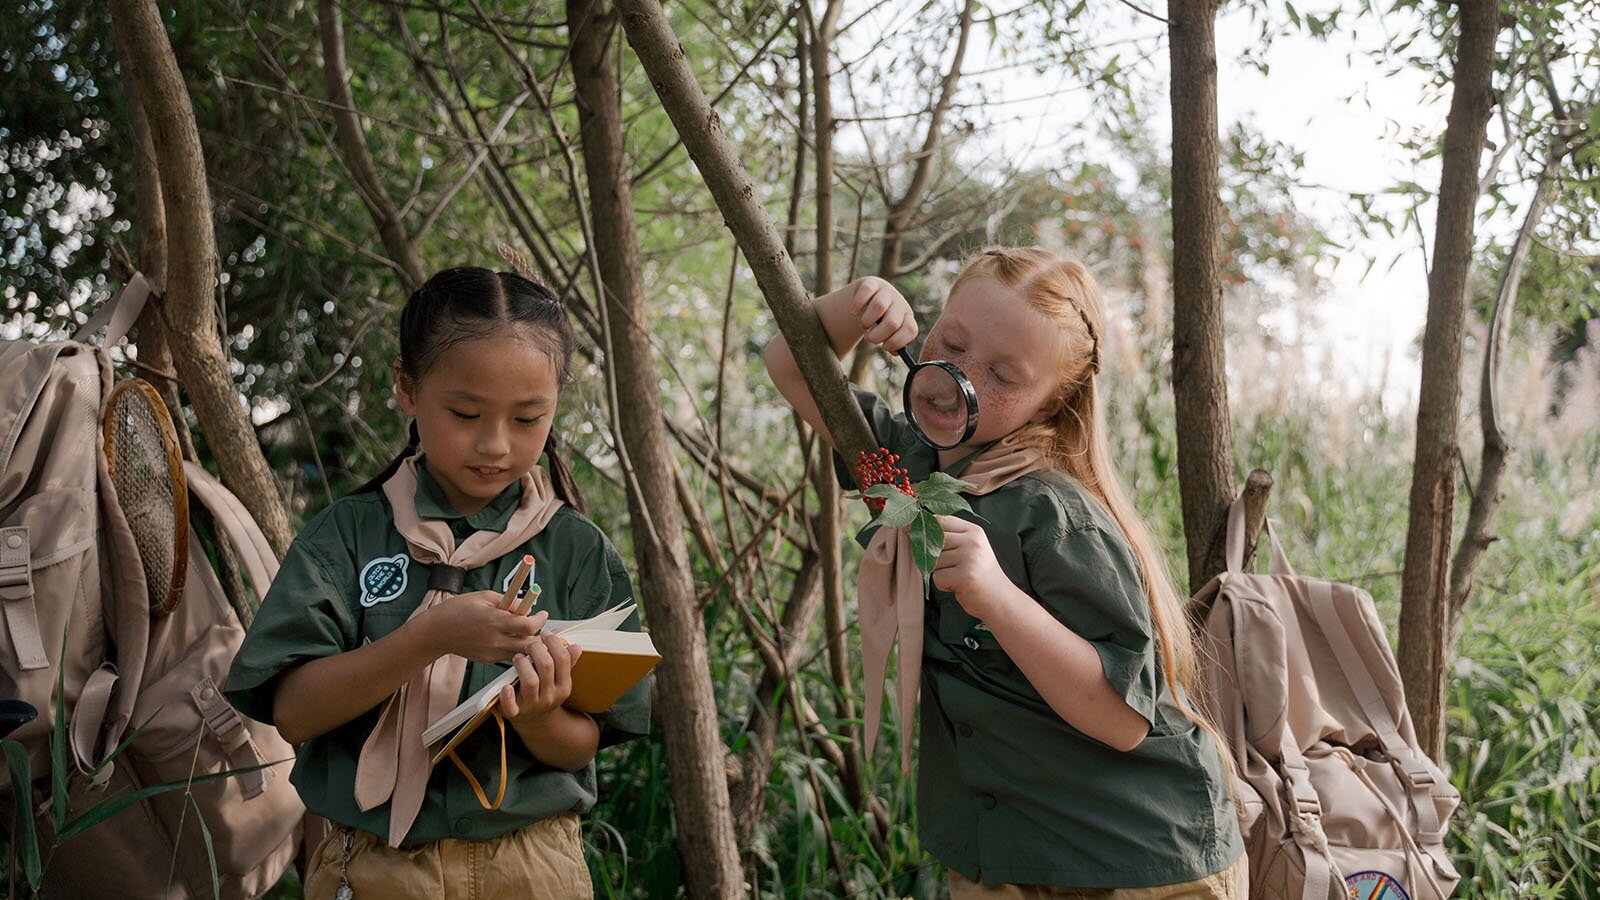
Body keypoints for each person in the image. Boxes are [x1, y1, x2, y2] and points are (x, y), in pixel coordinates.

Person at [762, 247, 1245, 898]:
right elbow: (790, 364)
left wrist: (997, 598)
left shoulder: (1053, 514)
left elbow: (1123, 718)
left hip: (1137, 861)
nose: (960, 378)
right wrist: (855, 308)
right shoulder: (899, 471)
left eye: (1002, 377)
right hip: (1005, 859)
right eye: (951, 344)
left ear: (1050, 405)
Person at [226, 267, 648, 899]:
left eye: (529, 418)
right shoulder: (347, 537)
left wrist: (536, 716)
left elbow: (579, 747)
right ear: (406, 387)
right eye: (465, 412)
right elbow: (293, 713)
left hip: (531, 867)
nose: (495, 444)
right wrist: (427, 638)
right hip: (371, 866)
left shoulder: (577, 552)